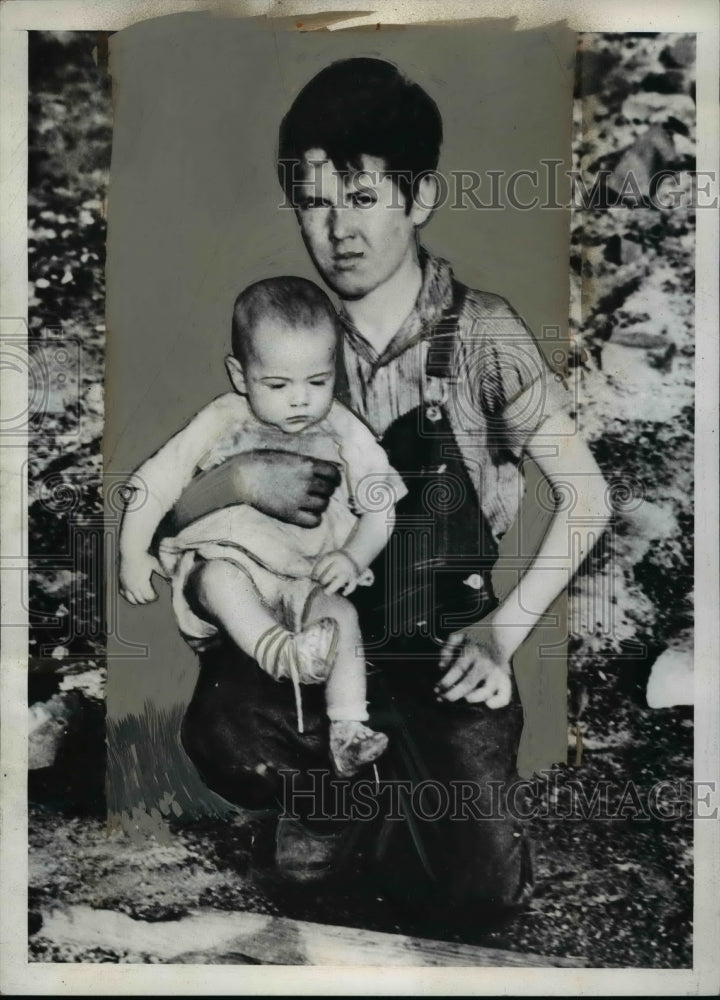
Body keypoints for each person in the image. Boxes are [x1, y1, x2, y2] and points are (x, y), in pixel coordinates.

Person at [163, 58, 610, 924]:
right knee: (225, 731)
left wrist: (500, 636)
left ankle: (395, 800)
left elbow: (586, 496)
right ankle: (340, 795)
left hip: (441, 647)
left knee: (476, 897)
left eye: (362, 197)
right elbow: (177, 513)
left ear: (419, 198)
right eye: (314, 200)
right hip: (324, 639)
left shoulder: (485, 335)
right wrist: (237, 481)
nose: (337, 229)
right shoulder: (286, 333)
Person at [118, 276, 407, 777]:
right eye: (277, 384)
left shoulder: (341, 426)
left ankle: (348, 730)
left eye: (318, 382)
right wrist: (131, 553)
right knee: (220, 580)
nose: (300, 400)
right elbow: (155, 481)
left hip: (304, 576)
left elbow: (382, 502)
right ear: (240, 373)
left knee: (341, 615)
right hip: (231, 564)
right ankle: (279, 654)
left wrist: (354, 554)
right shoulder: (223, 418)